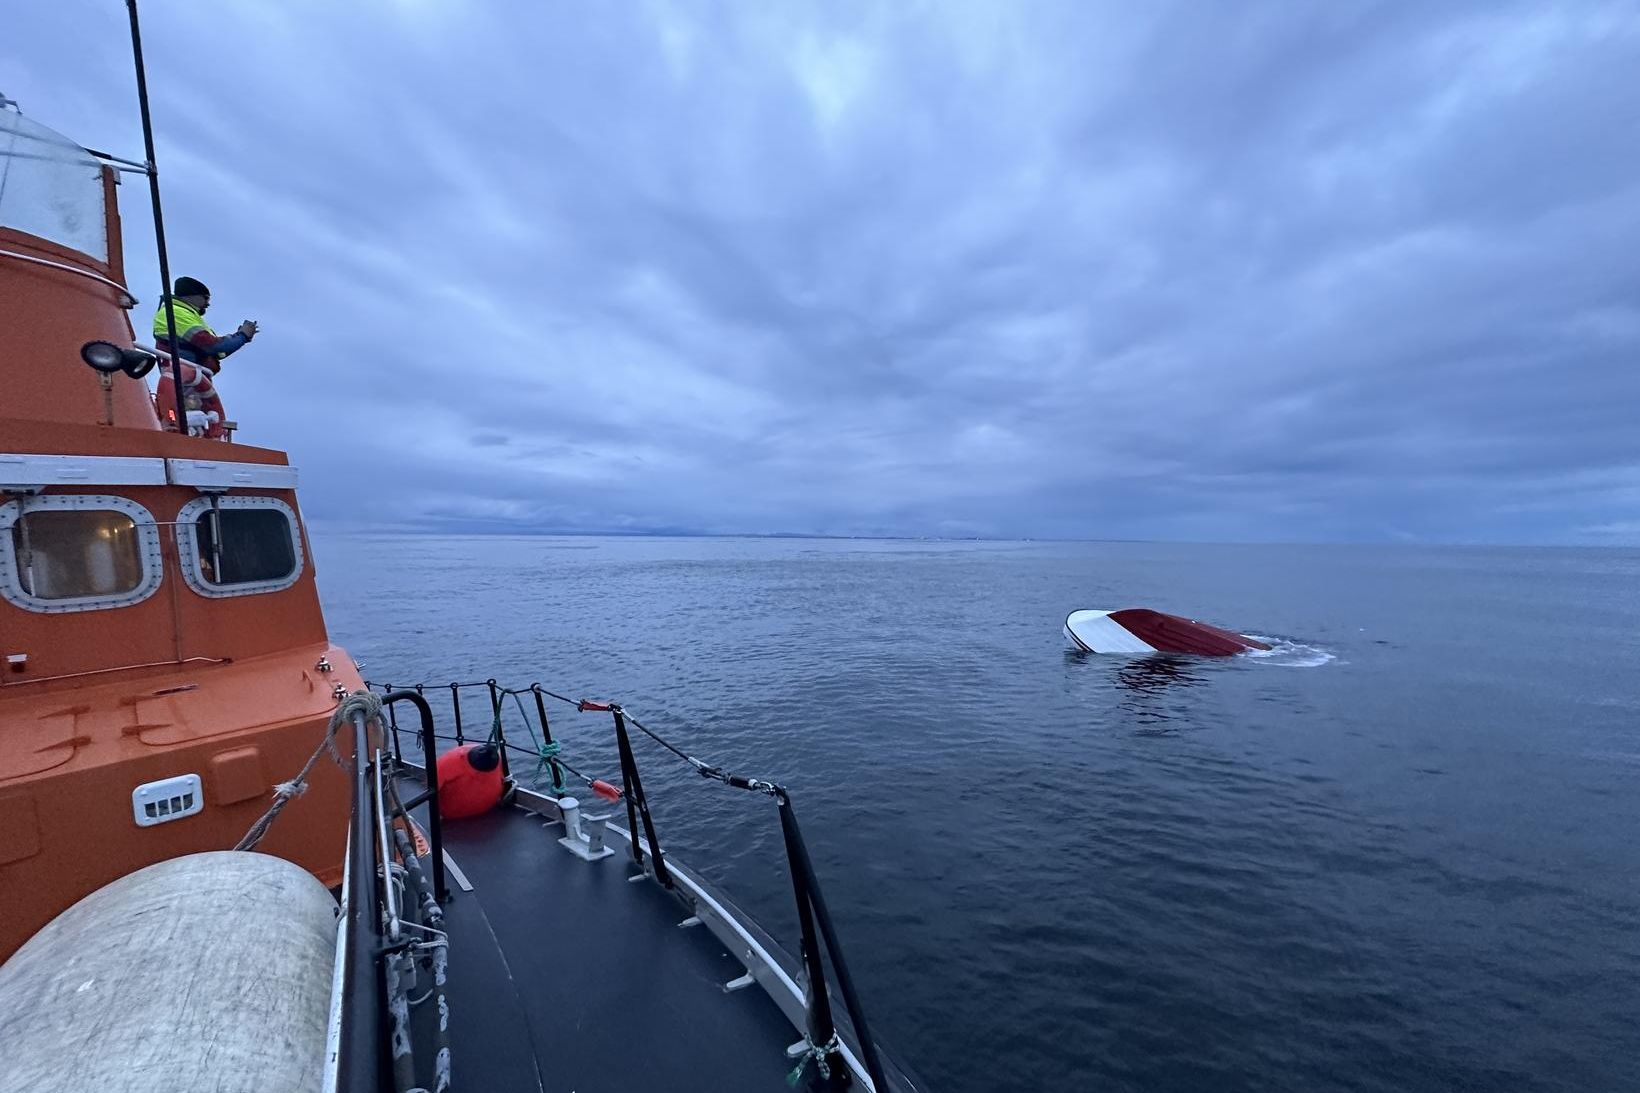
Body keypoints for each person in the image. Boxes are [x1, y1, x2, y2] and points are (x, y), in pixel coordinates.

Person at [151, 276, 259, 438]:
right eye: (205, 298)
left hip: (194, 380)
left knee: (197, 424)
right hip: (184, 381)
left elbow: (218, 352)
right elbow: (212, 345)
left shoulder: (189, 316)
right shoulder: (174, 313)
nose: (208, 303)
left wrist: (240, 337)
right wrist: (243, 335)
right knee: (188, 424)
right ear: (191, 296)